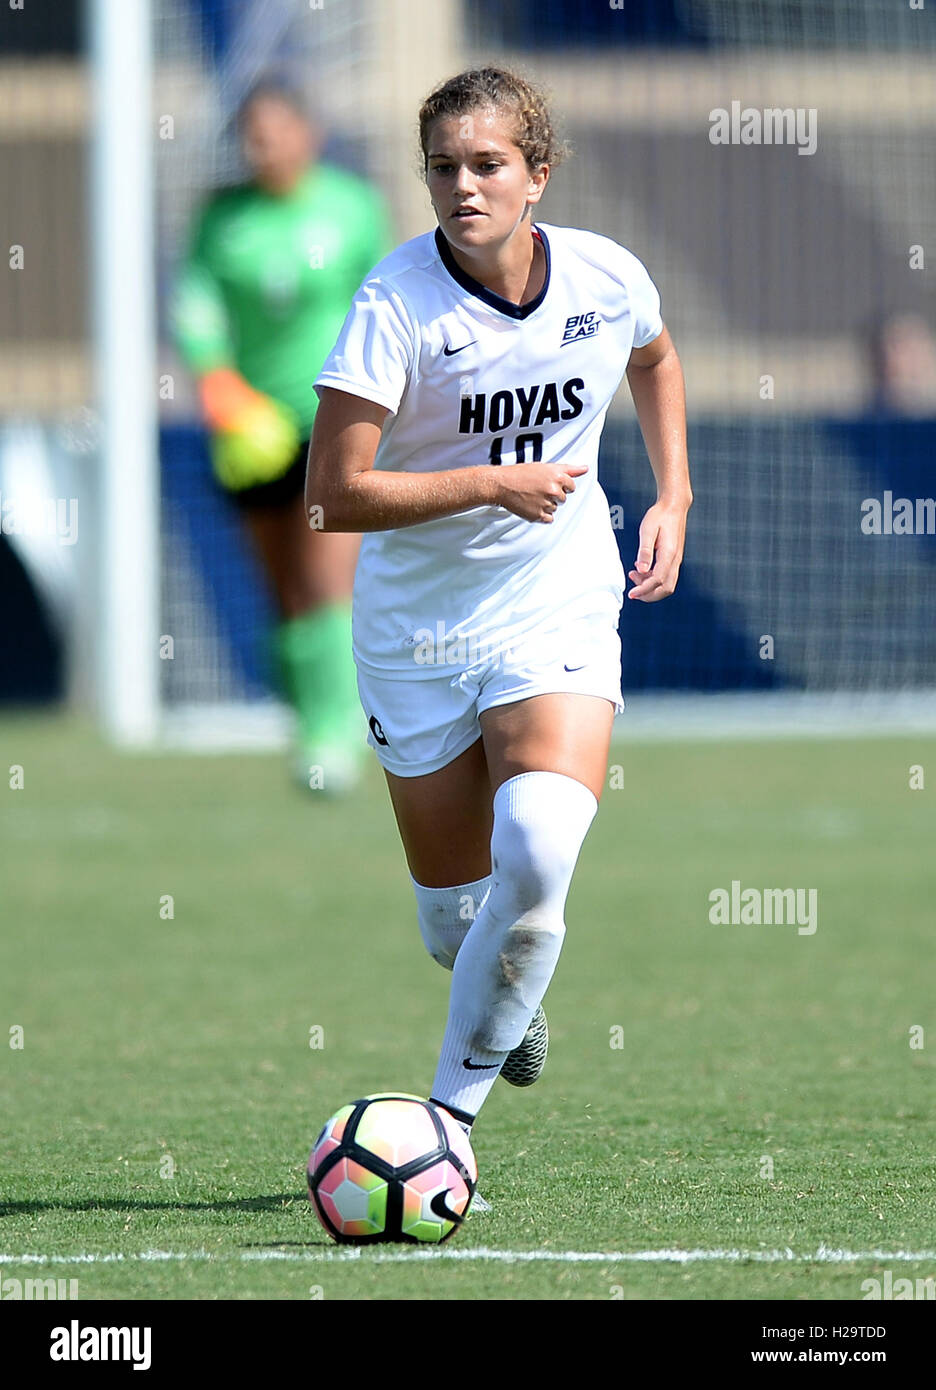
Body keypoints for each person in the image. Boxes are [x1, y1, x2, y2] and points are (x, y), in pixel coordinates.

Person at [306, 66, 691, 1144]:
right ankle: (500, 1003)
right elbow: (331, 503)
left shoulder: (605, 278)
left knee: (538, 838)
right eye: (442, 167)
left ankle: (447, 1123)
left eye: (488, 166)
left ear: (538, 176)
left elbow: (654, 356)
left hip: (553, 602)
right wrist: (490, 481)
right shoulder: (395, 303)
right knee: (457, 921)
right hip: (416, 632)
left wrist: (674, 491)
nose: (463, 187)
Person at [172, 78, 393, 790]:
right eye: (250, 133)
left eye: (273, 129)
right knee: (283, 593)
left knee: (328, 579)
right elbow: (195, 303)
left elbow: (387, 305)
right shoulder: (221, 218)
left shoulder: (350, 208)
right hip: (250, 430)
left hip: (334, 422)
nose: (260, 144)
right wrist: (218, 382)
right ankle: (306, 724)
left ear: (309, 133)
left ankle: (336, 739)